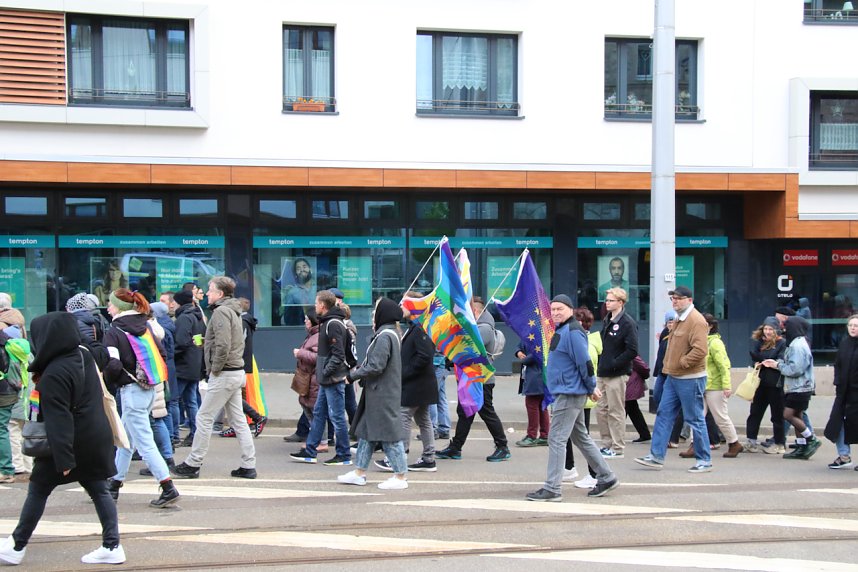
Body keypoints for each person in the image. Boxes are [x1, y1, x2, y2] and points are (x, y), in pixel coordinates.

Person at [0, 312, 126, 566]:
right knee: (99, 489)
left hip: (70, 443)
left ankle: (16, 545)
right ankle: (112, 545)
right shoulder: (83, 355)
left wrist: (64, 459)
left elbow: (59, 420)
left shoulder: (54, 373)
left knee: (38, 489)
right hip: (95, 437)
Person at [525, 294, 618, 501]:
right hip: (568, 391)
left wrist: (591, 386)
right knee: (580, 437)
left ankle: (552, 488)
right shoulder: (563, 329)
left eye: (560, 309)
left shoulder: (573, 331)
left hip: (569, 393)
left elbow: (585, 363)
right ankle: (607, 477)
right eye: (553, 309)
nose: (556, 312)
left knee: (556, 439)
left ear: (570, 309)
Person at [172, 276, 257, 479]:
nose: (207, 293)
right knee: (238, 421)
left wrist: (214, 370)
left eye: (210, 290)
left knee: (204, 417)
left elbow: (224, 344)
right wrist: (207, 343)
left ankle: (193, 463)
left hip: (225, 373)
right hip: (235, 371)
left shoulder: (221, 312)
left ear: (219, 293)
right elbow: (227, 341)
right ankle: (248, 465)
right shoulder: (232, 310)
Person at [102, 289, 180, 507]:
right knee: (126, 440)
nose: (108, 307)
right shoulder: (145, 325)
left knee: (145, 443)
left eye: (111, 304)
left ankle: (167, 486)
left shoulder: (114, 331)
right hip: (149, 389)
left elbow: (113, 364)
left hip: (130, 391)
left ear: (119, 307)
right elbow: (162, 354)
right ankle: (114, 484)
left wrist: (109, 382)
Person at [635, 286, 713, 473]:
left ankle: (704, 460)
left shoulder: (696, 320)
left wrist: (683, 362)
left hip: (690, 378)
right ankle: (656, 456)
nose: (675, 301)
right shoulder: (679, 318)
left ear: (689, 300)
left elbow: (701, 350)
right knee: (664, 414)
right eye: (673, 298)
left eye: (679, 298)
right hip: (673, 376)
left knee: (695, 419)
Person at [338, 297, 408, 489]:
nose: (373, 314)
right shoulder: (389, 333)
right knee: (367, 433)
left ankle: (400, 477)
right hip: (380, 392)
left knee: (389, 435)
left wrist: (352, 376)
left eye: (376, 310)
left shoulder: (385, 336)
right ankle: (359, 473)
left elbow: (376, 365)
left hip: (383, 394)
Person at [437, 296, 510, 463]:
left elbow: (468, 347)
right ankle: (456, 447)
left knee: (486, 412)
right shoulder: (477, 327)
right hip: (471, 378)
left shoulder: (483, 328)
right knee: (465, 413)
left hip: (482, 380)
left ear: (475, 311)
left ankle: (503, 447)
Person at [290, 290, 352, 465]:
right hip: (326, 378)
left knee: (337, 417)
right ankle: (310, 451)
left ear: (323, 305)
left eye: (316, 303)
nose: (315, 306)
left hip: (333, 379)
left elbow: (338, 355)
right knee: (318, 413)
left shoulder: (333, 324)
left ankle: (344, 454)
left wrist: (325, 371)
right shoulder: (328, 322)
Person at [380, 293, 438, 472]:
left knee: (404, 416)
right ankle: (429, 458)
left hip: (416, 384)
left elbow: (424, 356)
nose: (400, 307)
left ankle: (400, 456)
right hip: (421, 383)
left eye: (403, 304)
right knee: (423, 420)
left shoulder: (420, 328)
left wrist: (404, 373)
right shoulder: (417, 327)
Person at [763, 316, 819, 459]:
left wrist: (778, 365)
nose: (783, 330)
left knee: (788, 415)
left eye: (786, 327)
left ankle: (811, 438)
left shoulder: (797, 346)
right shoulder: (797, 342)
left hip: (799, 387)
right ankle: (801, 446)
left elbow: (795, 369)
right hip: (799, 387)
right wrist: (778, 363)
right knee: (797, 415)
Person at [596, 287, 638, 459]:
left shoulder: (627, 323)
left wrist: (614, 363)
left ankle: (617, 446)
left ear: (620, 302)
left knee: (615, 411)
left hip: (617, 373)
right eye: (606, 300)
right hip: (602, 372)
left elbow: (632, 350)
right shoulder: (607, 319)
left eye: (611, 300)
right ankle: (606, 444)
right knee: (601, 410)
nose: (607, 303)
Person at [220, 297, 267, 438]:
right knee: (235, 395)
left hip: (239, 363)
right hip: (242, 362)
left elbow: (237, 343)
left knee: (235, 395)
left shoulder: (242, 321)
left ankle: (252, 419)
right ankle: (243, 423)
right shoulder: (246, 320)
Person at [700, 314, 742, 458]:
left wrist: (726, 386)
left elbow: (724, 365)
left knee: (720, 417)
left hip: (714, 386)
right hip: (702, 384)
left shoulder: (715, 343)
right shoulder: (701, 341)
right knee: (697, 417)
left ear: (710, 326)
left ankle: (734, 443)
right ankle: (695, 445)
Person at [744, 317, 787, 454]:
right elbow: (754, 355)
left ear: (776, 330)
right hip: (760, 382)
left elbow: (780, 359)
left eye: (770, 329)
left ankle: (780, 443)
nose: (767, 332)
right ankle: (751, 441)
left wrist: (771, 362)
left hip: (775, 384)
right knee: (755, 412)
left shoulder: (782, 343)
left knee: (777, 415)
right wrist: (758, 362)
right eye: (766, 329)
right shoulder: (760, 342)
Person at [824, 314, 858, 470]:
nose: (853, 328)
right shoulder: (844, 344)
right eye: (850, 325)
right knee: (836, 422)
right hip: (843, 392)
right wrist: (837, 380)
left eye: (856, 326)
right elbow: (838, 364)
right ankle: (844, 456)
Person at [172, 289, 206, 447]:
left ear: (178, 302)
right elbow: (199, 340)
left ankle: (174, 435)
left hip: (183, 365)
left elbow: (181, 342)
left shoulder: (184, 318)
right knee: (191, 400)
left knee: (174, 400)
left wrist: (170, 354)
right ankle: (195, 433)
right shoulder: (197, 316)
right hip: (194, 364)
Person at [514, 339, 549, 447]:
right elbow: (519, 345)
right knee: (542, 407)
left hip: (536, 377)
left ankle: (532, 436)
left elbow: (534, 356)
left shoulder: (540, 338)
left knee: (532, 405)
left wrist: (524, 358)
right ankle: (544, 435)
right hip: (539, 377)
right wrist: (518, 352)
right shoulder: (534, 335)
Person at [625, 355, 651, 443]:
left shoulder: (630, 354)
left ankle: (616, 435)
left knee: (624, 410)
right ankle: (645, 434)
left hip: (629, 385)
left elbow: (644, 368)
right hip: (630, 384)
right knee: (633, 411)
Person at [282, 258, 315, 325]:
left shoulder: (317, 289)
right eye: (298, 268)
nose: (302, 270)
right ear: (295, 274)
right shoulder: (292, 293)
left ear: (311, 270)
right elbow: (288, 318)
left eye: (304, 267)